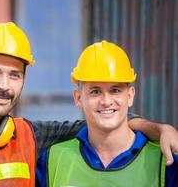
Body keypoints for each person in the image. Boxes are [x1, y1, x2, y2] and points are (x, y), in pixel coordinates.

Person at [0, 23, 178, 186]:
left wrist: (159, 129)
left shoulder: (31, 138)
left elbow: (102, 121)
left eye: (14, 75)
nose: (4, 85)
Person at [37, 40, 178, 187]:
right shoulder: (53, 159)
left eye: (115, 90)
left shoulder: (165, 161)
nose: (106, 101)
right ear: (78, 98)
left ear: (130, 96)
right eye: (95, 91)